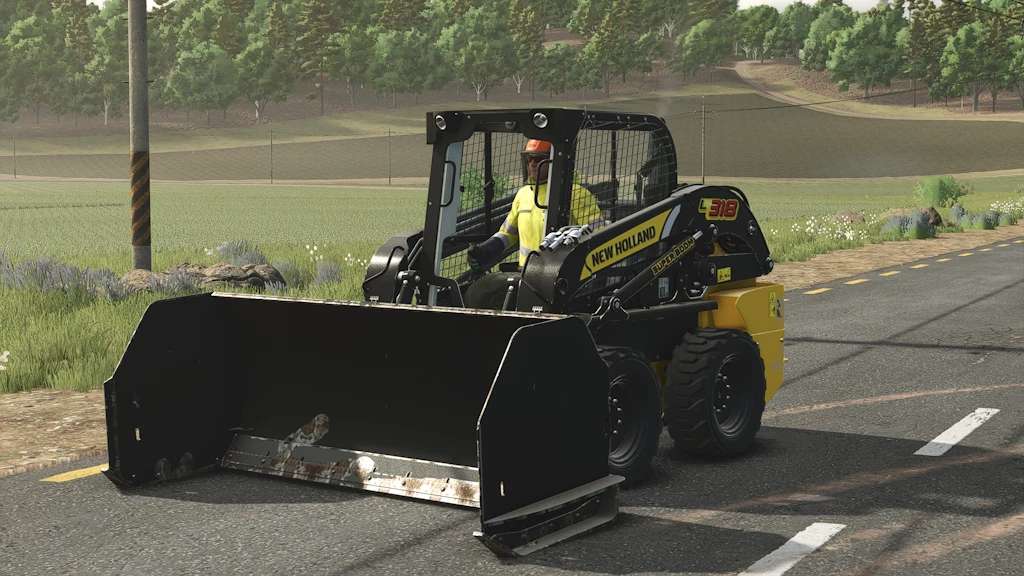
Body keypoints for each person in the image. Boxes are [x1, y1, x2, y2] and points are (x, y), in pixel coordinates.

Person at [464, 139, 603, 309]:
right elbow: (508, 234)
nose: (532, 164)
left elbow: (598, 235)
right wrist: (485, 250)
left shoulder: (576, 193)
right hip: (526, 278)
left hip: (565, 281)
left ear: (554, 161)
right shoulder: (523, 195)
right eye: (529, 159)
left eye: (538, 159)